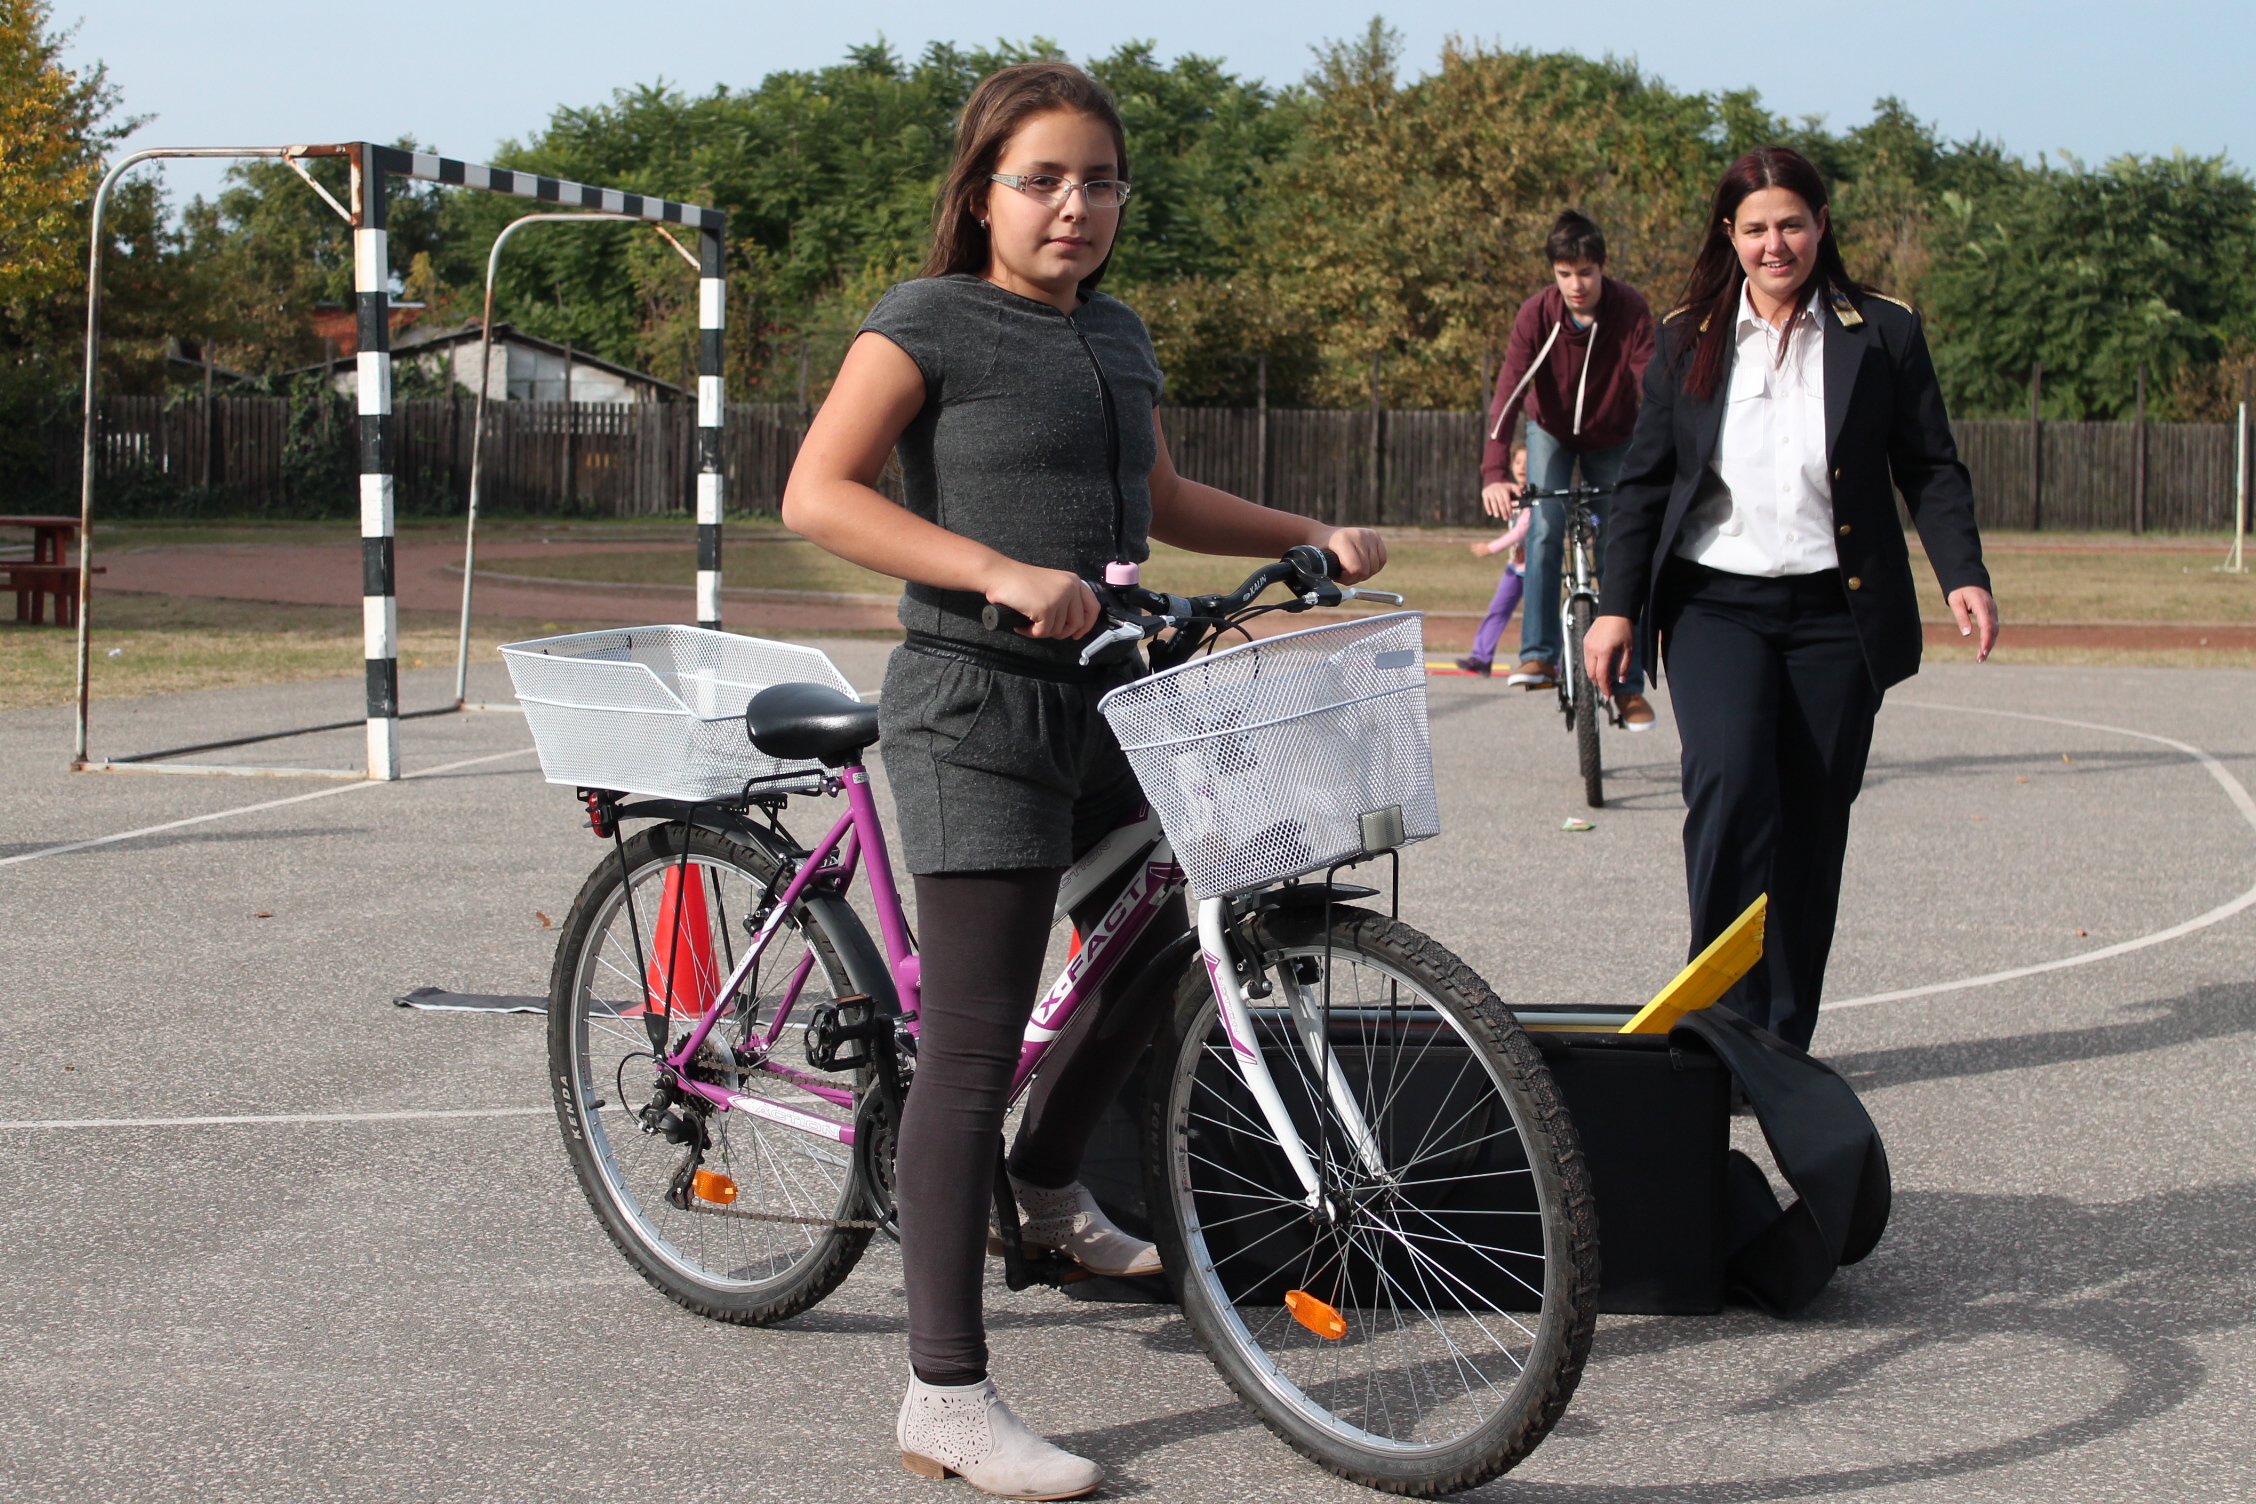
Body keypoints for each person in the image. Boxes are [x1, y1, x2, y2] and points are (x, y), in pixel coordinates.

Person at [780, 61, 1388, 1501]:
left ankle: (1048, 1188)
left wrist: (1307, 534)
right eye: (1043, 179)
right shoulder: (927, 320)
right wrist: (998, 570)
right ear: (982, 192)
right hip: (975, 706)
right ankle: (945, 1396)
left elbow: (1159, 500)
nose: (1075, 206)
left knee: (1170, 923)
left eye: (1100, 181)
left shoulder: (1116, 332)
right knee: (971, 1047)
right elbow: (817, 493)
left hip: (1112, 694)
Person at [1585, 146, 1999, 1052]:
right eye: (1757, 228)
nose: (1776, 245)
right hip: (1715, 606)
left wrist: (1962, 572)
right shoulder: (1687, 335)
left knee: (1811, 826)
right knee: (1732, 788)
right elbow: (1645, 483)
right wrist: (1616, 607)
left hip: (1836, 617)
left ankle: (1778, 1046)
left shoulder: (1881, 331)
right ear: (1729, 236)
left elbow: (1930, 466)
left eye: (1792, 224)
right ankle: (1716, 1032)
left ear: (1821, 226)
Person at [1481, 209, 1658, 729]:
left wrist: (1665, 457)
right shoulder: (1537, 315)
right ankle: (1538, 656)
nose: (1576, 285)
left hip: (1614, 435)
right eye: (1564, 274)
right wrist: (1494, 471)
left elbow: (1653, 386)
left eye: (1585, 272)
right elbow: (1509, 392)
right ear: (1553, 274)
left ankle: (1627, 686)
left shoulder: (1629, 310)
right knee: (1543, 528)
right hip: (1551, 432)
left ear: (1602, 267)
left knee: (1622, 542)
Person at [1456, 443, 1531, 676]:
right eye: (1518, 462)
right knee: (1497, 610)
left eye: (1528, 463)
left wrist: (1490, 548)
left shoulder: (1535, 497)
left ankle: (1555, 661)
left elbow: (1521, 531)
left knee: (1541, 615)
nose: (1522, 468)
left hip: (1536, 569)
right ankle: (1481, 658)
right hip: (1516, 568)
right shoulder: (1515, 494)